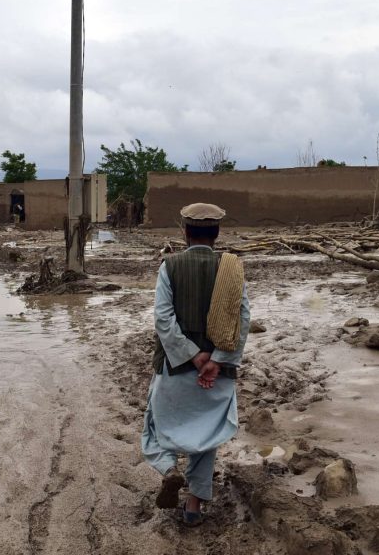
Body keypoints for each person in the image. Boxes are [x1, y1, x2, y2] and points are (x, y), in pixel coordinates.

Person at [141, 203, 250, 527]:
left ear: (185, 232)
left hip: (175, 368)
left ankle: (169, 469)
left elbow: (163, 318)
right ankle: (193, 506)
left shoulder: (170, 266)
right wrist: (216, 360)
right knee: (206, 436)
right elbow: (242, 319)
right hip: (217, 375)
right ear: (216, 234)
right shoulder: (231, 267)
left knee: (154, 425)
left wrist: (191, 355)